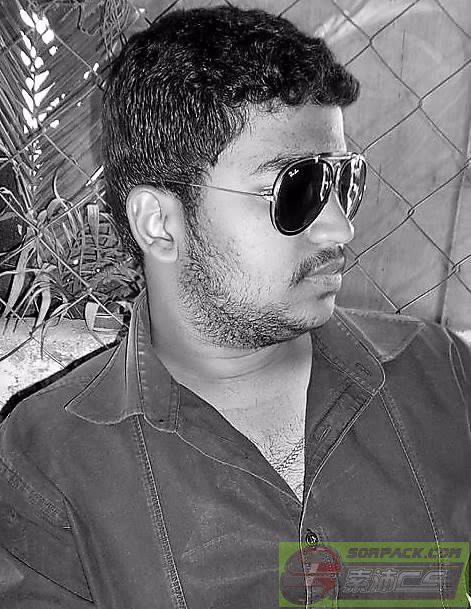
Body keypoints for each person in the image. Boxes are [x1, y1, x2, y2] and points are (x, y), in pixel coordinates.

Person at [0, 5, 470, 608]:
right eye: (296, 189)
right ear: (159, 222)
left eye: (343, 182)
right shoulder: (47, 470)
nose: (339, 228)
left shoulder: (440, 376)